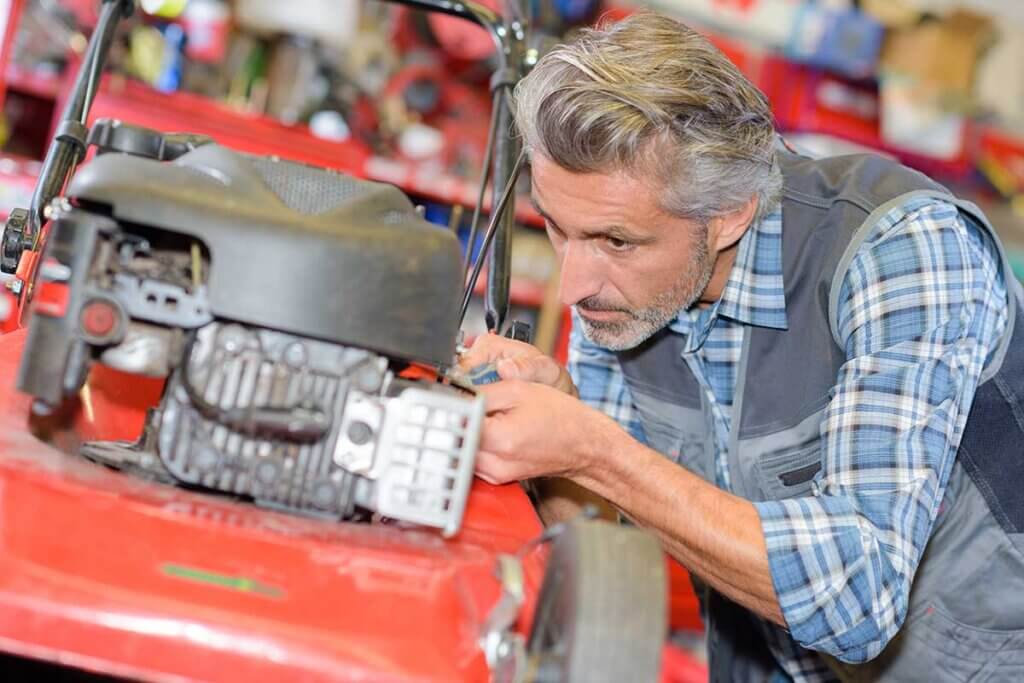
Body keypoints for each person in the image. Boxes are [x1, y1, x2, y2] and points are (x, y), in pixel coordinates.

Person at [459, 11, 1024, 682]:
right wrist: (562, 424)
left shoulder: (899, 250)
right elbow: (615, 547)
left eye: (615, 240)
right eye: (555, 228)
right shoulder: (622, 292)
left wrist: (595, 448)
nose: (575, 283)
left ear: (728, 214)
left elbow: (857, 598)